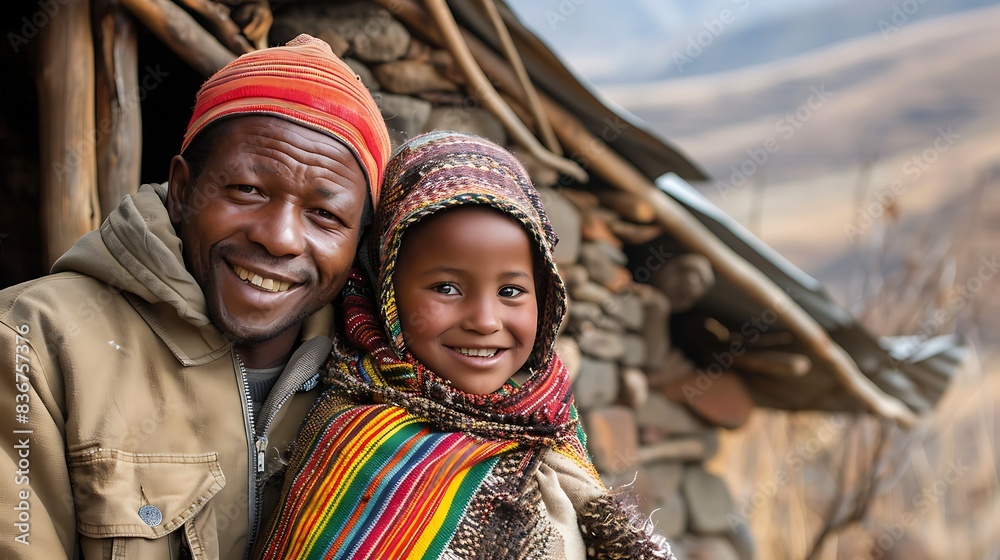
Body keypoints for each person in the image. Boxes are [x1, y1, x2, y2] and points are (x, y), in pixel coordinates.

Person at [0, 34, 390, 559]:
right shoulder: (33, 342)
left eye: (325, 215)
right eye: (248, 190)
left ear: (358, 244)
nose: (279, 237)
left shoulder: (380, 382)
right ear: (183, 192)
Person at [254, 131, 672, 559]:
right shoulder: (358, 448)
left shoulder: (550, 419)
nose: (485, 321)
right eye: (447, 287)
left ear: (545, 299)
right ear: (386, 291)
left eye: (511, 291)